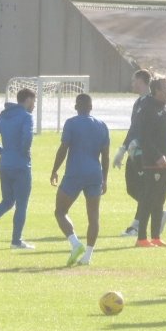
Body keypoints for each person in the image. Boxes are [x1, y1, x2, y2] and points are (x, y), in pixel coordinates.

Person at [50, 93, 109, 266]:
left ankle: (75, 244)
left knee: (60, 211)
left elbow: (63, 148)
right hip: (94, 174)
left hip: (75, 173)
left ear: (76, 107)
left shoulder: (71, 123)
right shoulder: (102, 125)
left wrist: (54, 170)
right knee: (93, 217)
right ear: (91, 107)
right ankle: (88, 256)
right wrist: (105, 179)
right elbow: (105, 156)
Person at [114, 69, 166, 237]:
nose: (132, 83)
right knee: (132, 188)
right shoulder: (139, 103)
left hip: (145, 153)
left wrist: (140, 145)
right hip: (135, 151)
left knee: (146, 189)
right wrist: (123, 149)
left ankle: (138, 225)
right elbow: (134, 128)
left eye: (135, 80)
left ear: (143, 81)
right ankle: (156, 213)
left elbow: (151, 130)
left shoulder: (152, 103)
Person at [0, 88, 35, 250]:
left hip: (5, 164)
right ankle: (16, 241)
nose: (34, 105)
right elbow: (27, 137)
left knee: (7, 201)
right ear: (28, 100)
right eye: (34, 101)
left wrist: (2, 151)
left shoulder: (5, 115)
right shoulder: (26, 117)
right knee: (21, 204)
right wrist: (24, 153)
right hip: (21, 165)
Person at [133, 77, 166, 248]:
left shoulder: (164, 106)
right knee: (148, 199)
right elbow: (144, 136)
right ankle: (141, 238)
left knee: (159, 200)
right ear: (157, 90)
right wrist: (157, 155)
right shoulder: (148, 108)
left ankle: (156, 237)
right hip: (154, 163)